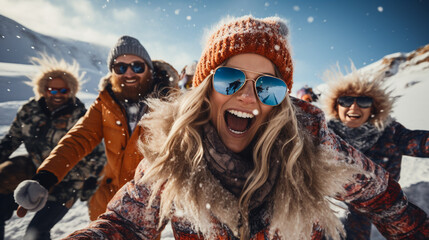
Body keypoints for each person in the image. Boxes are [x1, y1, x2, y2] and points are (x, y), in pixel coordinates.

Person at [48, 16, 429, 240]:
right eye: (230, 79)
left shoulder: (310, 141)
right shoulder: (175, 151)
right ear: (204, 89)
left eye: (268, 84)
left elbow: (383, 198)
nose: (248, 96)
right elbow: (126, 225)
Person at [14, 35, 179, 221]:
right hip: (106, 201)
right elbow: (78, 138)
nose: (129, 73)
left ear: (149, 68)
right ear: (112, 72)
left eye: (138, 66)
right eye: (121, 67)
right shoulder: (105, 103)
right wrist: (45, 177)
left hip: (148, 203)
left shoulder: (172, 103)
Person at [0, 53, 106, 240]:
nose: (57, 95)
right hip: (33, 170)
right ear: (43, 89)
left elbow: (97, 154)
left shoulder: (81, 116)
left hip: (67, 179)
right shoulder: (29, 111)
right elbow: (11, 140)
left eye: (63, 91)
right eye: (52, 90)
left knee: (36, 232)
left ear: (71, 91)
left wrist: (88, 182)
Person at [320, 63, 429, 240]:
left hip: (377, 204)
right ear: (336, 106)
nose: (354, 108)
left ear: (373, 108)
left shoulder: (390, 132)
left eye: (363, 101)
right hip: (328, 204)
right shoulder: (322, 134)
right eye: (346, 101)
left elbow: (419, 141)